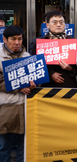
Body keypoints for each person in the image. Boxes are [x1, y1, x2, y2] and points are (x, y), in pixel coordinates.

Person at [0, 25, 36, 162]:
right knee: (4, 145)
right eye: (13, 39)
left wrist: (33, 85)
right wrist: (19, 88)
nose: (17, 42)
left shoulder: (27, 56)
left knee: (24, 145)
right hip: (5, 106)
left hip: (25, 106)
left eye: (20, 39)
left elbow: (36, 78)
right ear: (5, 39)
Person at [31, 10, 77, 88]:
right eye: (54, 22)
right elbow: (34, 66)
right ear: (47, 25)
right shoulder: (39, 42)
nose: (58, 25)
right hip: (46, 86)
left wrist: (70, 68)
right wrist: (51, 74)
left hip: (69, 85)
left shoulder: (72, 41)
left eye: (61, 22)